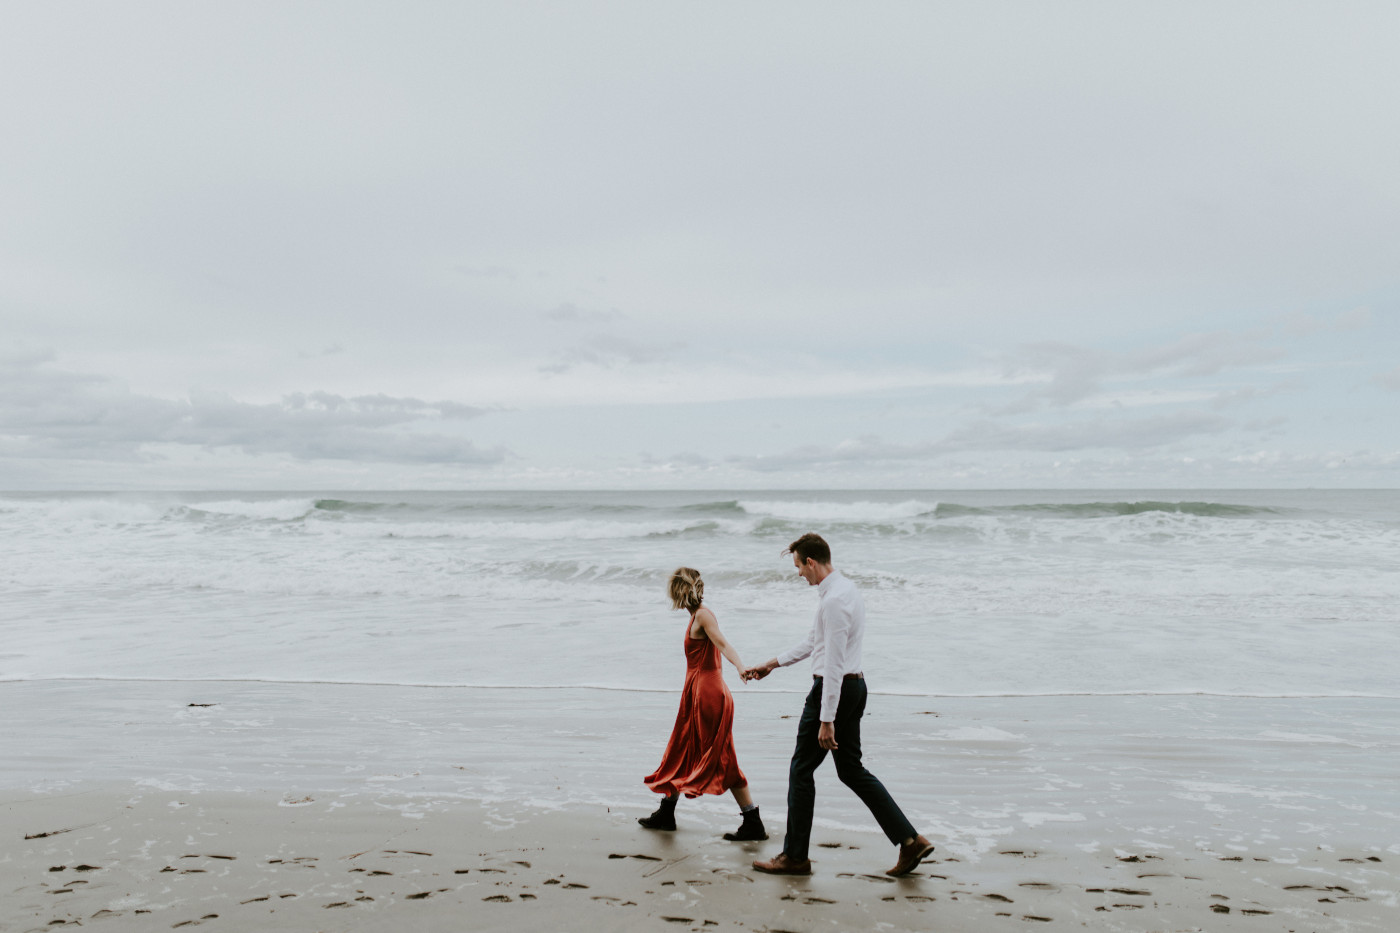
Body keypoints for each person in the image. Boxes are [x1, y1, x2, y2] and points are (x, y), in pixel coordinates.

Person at [743, 533, 933, 876]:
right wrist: (773, 663)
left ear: (811, 562)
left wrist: (826, 718)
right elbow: (816, 641)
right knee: (851, 770)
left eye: (799, 567)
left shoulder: (833, 600)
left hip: (834, 691)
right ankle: (910, 841)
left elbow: (832, 663)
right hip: (854, 687)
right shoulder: (845, 591)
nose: (799, 574)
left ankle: (795, 856)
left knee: (801, 769)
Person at [639, 567, 767, 842]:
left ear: (679, 591)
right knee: (681, 751)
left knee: (722, 758)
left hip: (708, 693)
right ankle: (667, 813)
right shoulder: (695, 617)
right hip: (697, 691)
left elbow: (723, 643)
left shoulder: (703, 616)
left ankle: (752, 821)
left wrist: (740, 667)